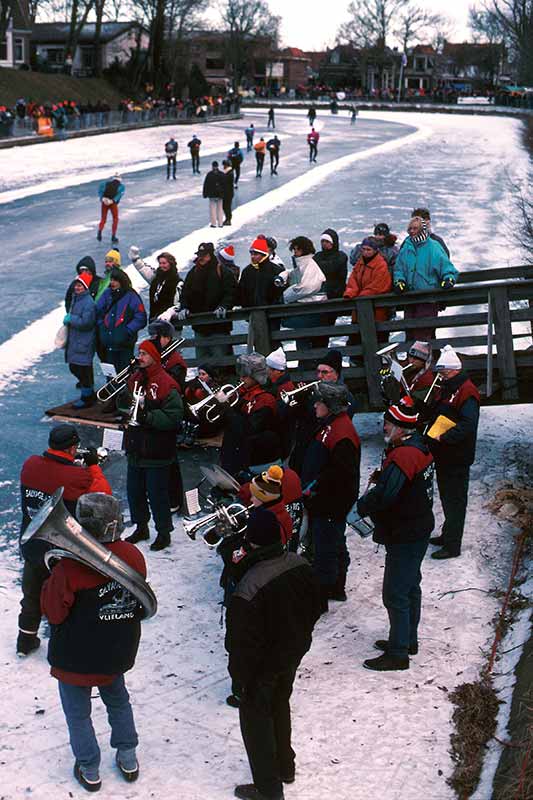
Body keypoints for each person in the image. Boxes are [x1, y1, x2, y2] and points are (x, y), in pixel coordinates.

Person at [41, 493, 145, 791]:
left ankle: (89, 768)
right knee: (119, 702)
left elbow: (54, 614)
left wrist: (49, 582)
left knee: (78, 714)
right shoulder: (134, 556)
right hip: (116, 651)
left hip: (75, 659)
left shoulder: (68, 567)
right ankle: (128, 757)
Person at [225, 506, 321, 800]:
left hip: (262, 666)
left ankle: (268, 789)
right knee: (280, 704)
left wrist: (239, 680)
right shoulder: (299, 562)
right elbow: (317, 605)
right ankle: (285, 767)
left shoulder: (250, 585)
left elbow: (239, 643)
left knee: (256, 722)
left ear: (251, 542)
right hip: (291, 654)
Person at [17, 424, 111, 657]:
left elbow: (49, 473)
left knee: (30, 594)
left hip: (31, 542)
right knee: (63, 598)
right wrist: (93, 466)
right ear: (72, 449)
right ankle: (63, 646)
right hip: (61, 550)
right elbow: (103, 497)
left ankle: (25, 641)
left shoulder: (30, 464)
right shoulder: (78, 475)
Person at [357, 399, 434, 671]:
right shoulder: (417, 447)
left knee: (395, 593)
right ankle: (407, 639)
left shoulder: (403, 456)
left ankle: (399, 653)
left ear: (402, 427)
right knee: (410, 585)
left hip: (406, 532)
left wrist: (362, 505)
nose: (384, 426)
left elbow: (387, 495)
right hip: (417, 528)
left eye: (389, 422)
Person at [301, 382, 360, 613]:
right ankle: (337, 586)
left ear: (331, 406)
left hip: (329, 504)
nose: (315, 405)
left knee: (325, 549)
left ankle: (322, 598)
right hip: (325, 502)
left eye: (320, 402)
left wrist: (315, 490)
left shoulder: (342, 433)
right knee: (334, 543)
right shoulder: (332, 425)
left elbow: (340, 475)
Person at [122, 340, 183, 551]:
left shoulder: (167, 384)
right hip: (136, 447)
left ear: (155, 357)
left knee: (158, 495)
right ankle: (141, 526)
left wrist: (147, 416)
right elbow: (125, 404)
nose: (140, 357)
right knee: (134, 492)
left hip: (157, 450)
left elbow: (174, 417)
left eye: (144, 354)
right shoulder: (135, 379)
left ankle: (163, 532)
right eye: (139, 353)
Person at [427, 345, 480, 560]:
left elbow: (468, 424)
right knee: (449, 498)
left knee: (456, 501)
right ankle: (448, 534)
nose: (440, 376)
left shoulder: (467, 392)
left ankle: (452, 545)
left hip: (457, 455)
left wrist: (445, 438)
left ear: (453, 371)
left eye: (442, 372)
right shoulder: (450, 388)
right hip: (446, 455)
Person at [393, 217, 458, 342]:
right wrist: (399, 281)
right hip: (410, 298)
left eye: (415, 228)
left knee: (423, 334)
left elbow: (447, 267)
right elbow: (399, 269)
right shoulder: (406, 247)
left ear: (422, 229)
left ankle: (426, 360)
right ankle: (413, 360)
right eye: (410, 229)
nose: (411, 231)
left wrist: (448, 279)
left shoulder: (433, 247)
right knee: (410, 334)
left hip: (428, 298)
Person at [219, 353, 278, 478]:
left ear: (256, 377)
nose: (241, 379)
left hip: (251, 458)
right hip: (235, 451)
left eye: (245, 376)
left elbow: (247, 429)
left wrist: (226, 407)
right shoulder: (243, 392)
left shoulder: (266, 399)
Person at [175, 242, 237, 361]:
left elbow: (231, 292)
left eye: (204, 255)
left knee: (221, 358)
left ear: (211, 255)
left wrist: (224, 306)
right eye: (199, 254)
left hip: (219, 326)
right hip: (200, 326)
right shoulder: (193, 272)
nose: (201, 257)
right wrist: (184, 307)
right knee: (202, 360)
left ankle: (224, 379)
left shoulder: (223, 271)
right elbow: (185, 293)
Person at [280, 236, 326, 369]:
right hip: (308, 310)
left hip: (310, 310)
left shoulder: (309, 265)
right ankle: (306, 367)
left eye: (297, 249)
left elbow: (307, 286)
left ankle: (306, 369)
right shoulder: (303, 264)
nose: (295, 252)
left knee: (305, 341)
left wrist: (286, 296)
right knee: (303, 341)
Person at [343, 236, 392, 362]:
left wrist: (361, 296)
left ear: (375, 250)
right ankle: (356, 371)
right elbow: (353, 280)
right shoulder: (360, 263)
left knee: (376, 346)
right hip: (359, 312)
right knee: (356, 345)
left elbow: (379, 286)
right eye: (363, 249)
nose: (365, 252)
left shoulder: (381, 265)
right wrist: (350, 292)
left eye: (368, 249)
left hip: (377, 314)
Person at [96, 268, 147, 373]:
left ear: (121, 281)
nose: (112, 283)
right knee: (111, 375)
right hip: (108, 344)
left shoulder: (131, 296)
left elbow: (141, 317)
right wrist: (102, 327)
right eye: (111, 280)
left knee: (126, 374)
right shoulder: (107, 294)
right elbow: (97, 312)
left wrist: (127, 331)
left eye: (115, 280)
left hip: (125, 345)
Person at [64, 272, 97, 408]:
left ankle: (87, 397)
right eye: (76, 285)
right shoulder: (76, 299)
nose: (77, 288)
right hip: (76, 340)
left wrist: (71, 319)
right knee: (75, 367)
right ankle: (88, 394)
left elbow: (87, 322)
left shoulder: (88, 302)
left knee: (82, 370)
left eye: (80, 286)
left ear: (85, 287)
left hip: (84, 341)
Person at [314, 228, 348, 349]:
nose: (324, 244)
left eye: (327, 241)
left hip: (335, 295)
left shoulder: (341, 256)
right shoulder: (317, 256)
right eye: (322, 241)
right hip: (320, 297)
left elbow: (332, 269)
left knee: (327, 328)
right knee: (318, 331)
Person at [128, 246, 180, 321]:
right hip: (155, 322)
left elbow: (178, 305)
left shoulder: (177, 282)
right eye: (160, 263)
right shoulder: (156, 278)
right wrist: (135, 258)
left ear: (171, 264)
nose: (162, 265)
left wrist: (169, 314)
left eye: (164, 263)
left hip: (172, 325)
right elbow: (143, 268)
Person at [238, 237, 285, 309]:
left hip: (274, 312)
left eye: (256, 254)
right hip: (253, 312)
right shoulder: (247, 271)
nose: (252, 257)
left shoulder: (277, 270)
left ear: (264, 255)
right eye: (251, 254)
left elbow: (281, 293)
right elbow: (242, 292)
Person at [97, 173, 124, 243]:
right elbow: (119, 195)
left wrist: (102, 198)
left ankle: (99, 232)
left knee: (103, 219)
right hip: (113, 203)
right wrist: (112, 200)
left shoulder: (104, 183)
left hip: (104, 202)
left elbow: (100, 191)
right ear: (120, 179)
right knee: (115, 219)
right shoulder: (121, 186)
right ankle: (113, 237)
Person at [202, 160, 225, 228]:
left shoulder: (209, 174)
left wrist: (205, 194)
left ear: (212, 166)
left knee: (212, 209)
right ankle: (220, 223)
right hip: (220, 195)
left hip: (212, 195)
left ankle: (214, 223)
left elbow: (206, 185)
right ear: (217, 166)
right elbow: (225, 185)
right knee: (220, 209)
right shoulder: (221, 174)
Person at [221, 159, 235, 225]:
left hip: (228, 193)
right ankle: (227, 219)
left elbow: (225, 182)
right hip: (228, 193)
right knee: (225, 206)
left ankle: (228, 219)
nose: (223, 166)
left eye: (224, 165)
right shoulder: (228, 172)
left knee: (227, 206)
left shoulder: (229, 173)